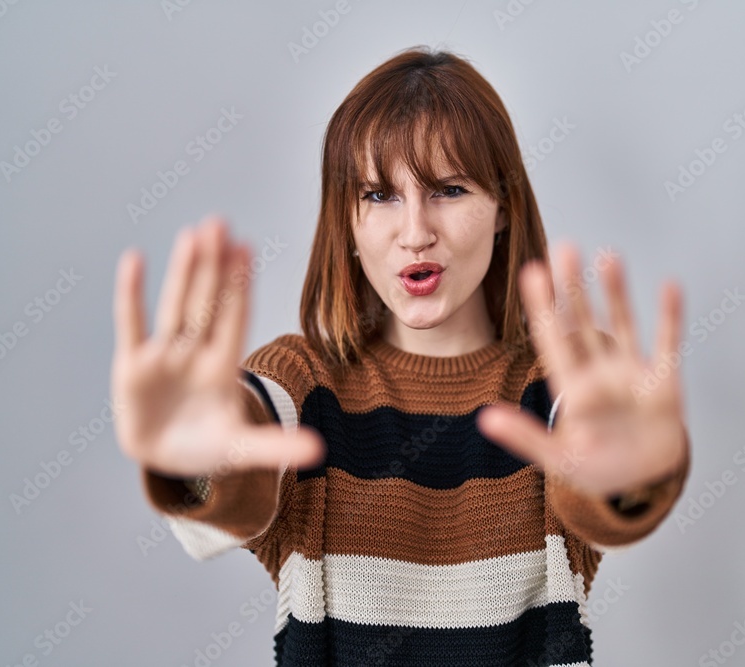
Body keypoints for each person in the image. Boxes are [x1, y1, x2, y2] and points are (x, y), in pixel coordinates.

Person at [111, 46, 691, 666]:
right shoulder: (305, 383)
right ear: (349, 225)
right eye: (380, 195)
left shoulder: (561, 384)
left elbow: (597, 485)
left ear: (501, 209)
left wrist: (631, 478)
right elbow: (246, 456)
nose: (415, 231)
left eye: (448, 188)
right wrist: (204, 460)